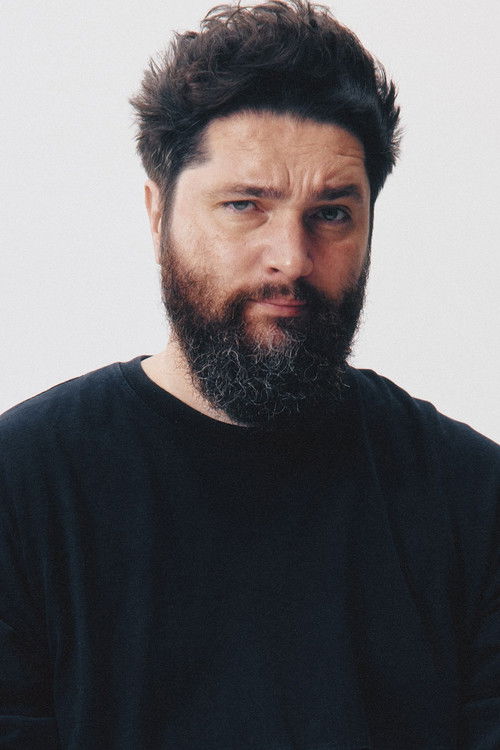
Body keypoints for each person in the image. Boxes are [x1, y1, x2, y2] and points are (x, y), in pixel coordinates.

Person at [0, 0, 498, 747]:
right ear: (157, 214)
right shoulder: (23, 487)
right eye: (244, 206)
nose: (291, 260)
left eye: (332, 213)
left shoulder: (474, 500)